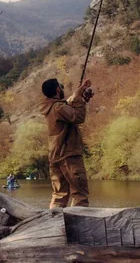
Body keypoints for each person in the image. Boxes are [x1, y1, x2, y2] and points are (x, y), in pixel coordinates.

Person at [39, 78, 94, 208]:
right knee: (80, 194)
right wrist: (79, 98)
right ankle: (79, 225)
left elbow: (66, 106)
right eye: (61, 86)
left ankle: (53, 224)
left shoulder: (50, 107)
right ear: (58, 89)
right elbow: (78, 117)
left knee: (59, 195)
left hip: (55, 156)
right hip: (69, 156)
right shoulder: (59, 107)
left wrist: (78, 95)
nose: (62, 89)